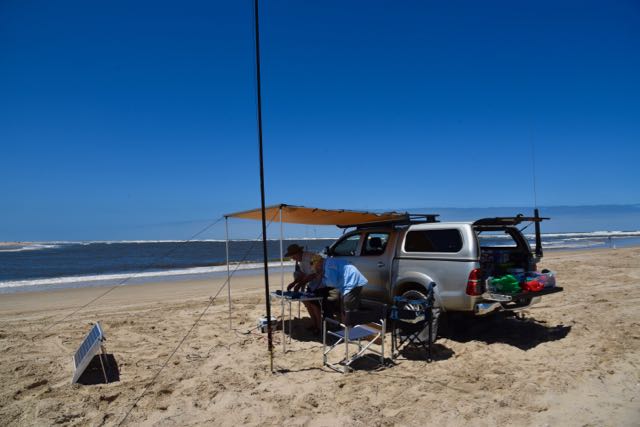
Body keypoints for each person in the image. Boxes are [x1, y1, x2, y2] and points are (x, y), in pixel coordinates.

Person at [284, 244, 324, 333]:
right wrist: (294, 283)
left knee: (314, 304)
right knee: (306, 302)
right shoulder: (301, 261)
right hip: (313, 285)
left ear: (298, 253)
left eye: (293, 256)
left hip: (322, 284)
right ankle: (314, 324)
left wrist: (300, 284)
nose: (293, 259)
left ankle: (319, 326)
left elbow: (315, 274)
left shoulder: (313, 257)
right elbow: (303, 274)